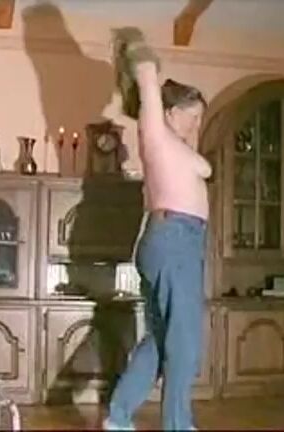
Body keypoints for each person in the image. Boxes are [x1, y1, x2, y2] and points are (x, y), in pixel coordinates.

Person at [104, 28, 211, 431]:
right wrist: (134, 48)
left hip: (171, 240)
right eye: (193, 115)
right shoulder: (156, 135)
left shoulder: (174, 147)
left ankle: (118, 417)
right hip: (175, 238)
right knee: (183, 340)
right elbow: (149, 80)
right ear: (169, 112)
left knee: (162, 339)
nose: (197, 124)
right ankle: (178, 425)